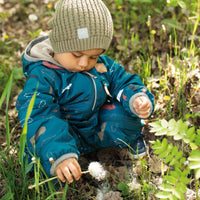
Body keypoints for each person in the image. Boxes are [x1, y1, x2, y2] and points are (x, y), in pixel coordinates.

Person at [16, 0, 154, 184]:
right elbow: (40, 114)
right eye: (76, 55)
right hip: (62, 133)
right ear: (59, 44)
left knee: (127, 114)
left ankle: (124, 141)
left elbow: (122, 80)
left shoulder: (100, 65)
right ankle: (64, 161)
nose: (83, 64)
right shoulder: (43, 75)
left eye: (93, 56)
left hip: (94, 128)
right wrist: (60, 153)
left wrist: (137, 98)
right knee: (39, 158)